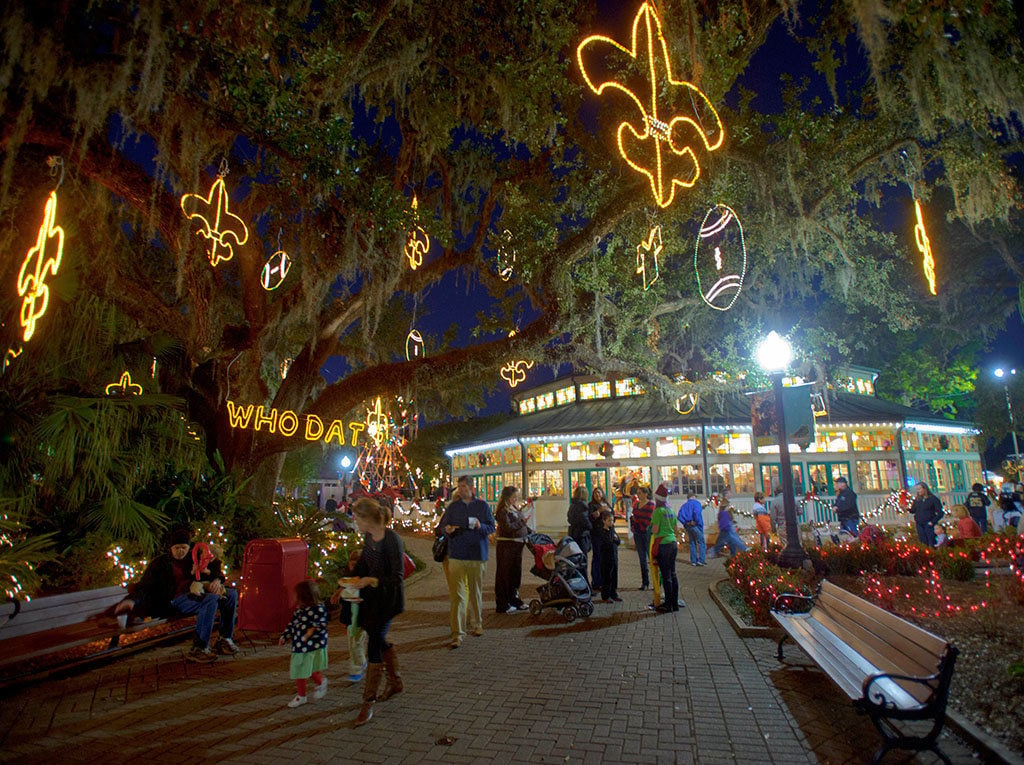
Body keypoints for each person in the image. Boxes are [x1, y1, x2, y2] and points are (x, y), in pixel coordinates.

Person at [114, 527, 239, 663]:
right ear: (171, 548)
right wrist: (132, 600)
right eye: (177, 548)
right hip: (173, 600)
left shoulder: (193, 558)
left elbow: (214, 568)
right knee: (210, 600)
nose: (181, 551)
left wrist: (217, 580)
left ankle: (225, 639)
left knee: (231, 594)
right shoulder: (160, 564)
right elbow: (144, 586)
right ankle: (199, 647)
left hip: (196, 594)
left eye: (184, 548)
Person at [351, 497, 406, 726]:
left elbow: (396, 576)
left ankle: (368, 702)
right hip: (372, 600)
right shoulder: (368, 537)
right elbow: (364, 564)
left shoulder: (392, 540)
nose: (355, 522)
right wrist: (351, 582)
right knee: (378, 638)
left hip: (388, 601)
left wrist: (371, 580)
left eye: (357, 518)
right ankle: (395, 681)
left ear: (367, 519)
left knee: (374, 642)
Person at [436, 475, 495, 649]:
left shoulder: (482, 506)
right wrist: (447, 530)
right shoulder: (453, 507)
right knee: (458, 595)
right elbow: (441, 528)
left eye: (463, 486)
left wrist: (480, 526)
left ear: (471, 488)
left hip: (477, 555)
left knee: (475, 592)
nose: (461, 489)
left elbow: (491, 527)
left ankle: (477, 623)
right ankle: (457, 633)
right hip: (457, 555)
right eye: (459, 486)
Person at [278, 580, 328, 708]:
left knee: (309, 670)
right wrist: (285, 635)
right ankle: (302, 695)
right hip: (299, 646)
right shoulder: (299, 610)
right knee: (300, 670)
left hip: (312, 646)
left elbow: (321, 624)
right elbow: (292, 623)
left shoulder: (318, 609)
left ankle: (319, 683)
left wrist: (311, 630)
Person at [331, 551, 368, 682]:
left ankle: (356, 668)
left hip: (361, 618)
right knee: (354, 644)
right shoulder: (347, 580)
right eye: (352, 564)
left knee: (356, 644)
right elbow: (345, 602)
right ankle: (361, 662)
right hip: (350, 618)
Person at [494, 485, 529, 614]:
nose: (516, 499)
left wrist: (528, 532)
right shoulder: (502, 511)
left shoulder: (514, 509)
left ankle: (514, 598)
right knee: (505, 574)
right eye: (514, 497)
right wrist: (522, 523)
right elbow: (508, 528)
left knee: (515, 573)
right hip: (507, 546)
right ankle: (502, 603)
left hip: (517, 545)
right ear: (508, 498)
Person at [651, 485, 682, 612]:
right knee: (673, 574)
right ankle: (674, 603)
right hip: (673, 543)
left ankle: (668, 604)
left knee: (666, 575)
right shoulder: (671, 511)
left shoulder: (658, 512)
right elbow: (675, 530)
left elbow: (655, 530)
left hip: (663, 544)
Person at [593, 510, 621, 603]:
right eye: (609, 520)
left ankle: (614, 594)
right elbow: (606, 542)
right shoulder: (602, 531)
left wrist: (615, 540)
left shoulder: (612, 530)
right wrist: (613, 540)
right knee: (607, 577)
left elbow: (618, 541)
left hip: (614, 556)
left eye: (612, 520)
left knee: (614, 576)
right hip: (606, 558)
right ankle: (605, 595)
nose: (611, 522)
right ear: (604, 521)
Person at [630, 486, 654, 590]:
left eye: (640, 493)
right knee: (642, 559)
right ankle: (645, 582)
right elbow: (633, 517)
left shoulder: (651, 505)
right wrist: (633, 523)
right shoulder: (636, 505)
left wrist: (637, 520)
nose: (638, 495)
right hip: (638, 533)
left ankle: (656, 582)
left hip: (646, 533)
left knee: (651, 558)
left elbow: (648, 520)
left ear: (645, 494)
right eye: (637, 493)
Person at [566, 485, 592, 580]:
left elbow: (569, 519)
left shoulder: (572, 505)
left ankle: (575, 580)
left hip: (573, 534)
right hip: (582, 535)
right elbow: (584, 521)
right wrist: (591, 526)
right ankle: (584, 583)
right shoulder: (583, 506)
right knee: (582, 560)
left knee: (575, 559)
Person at [588, 487, 612, 589]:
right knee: (597, 557)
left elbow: (612, 515)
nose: (597, 495)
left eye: (599, 493)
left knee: (605, 559)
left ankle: (604, 581)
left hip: (606, 535)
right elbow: (590, 518)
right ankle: (596, 582)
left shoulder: (607, 504)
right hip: (596, 535)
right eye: (595, 493)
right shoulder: (591, 506)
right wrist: (598, 511)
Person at [909, 482, 944, 547]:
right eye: (917, 489)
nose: (918, 491)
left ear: (924, 489)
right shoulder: (917, 500)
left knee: (931, 541)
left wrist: (932, 522)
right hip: (919, 524)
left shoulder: (933, 499)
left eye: (919, 489)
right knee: (923, 541)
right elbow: (913, 510)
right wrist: (907, 509)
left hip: (929, 523)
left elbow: (940, 513)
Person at [677, 492, 706, 566]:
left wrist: (686, 523)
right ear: (693, 497)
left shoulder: (684, 506)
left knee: (692, 542)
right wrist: (696, 521)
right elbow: (697, 513)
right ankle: (701, 560)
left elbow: (679, 516)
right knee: (701, 542)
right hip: (696, 526)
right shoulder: (696, 503)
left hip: (688, 526)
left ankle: (693, 561)